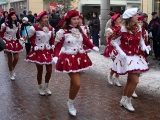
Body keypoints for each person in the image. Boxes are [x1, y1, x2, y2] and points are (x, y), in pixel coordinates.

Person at [52, 10, 99, 116]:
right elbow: (57, 46)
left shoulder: (80, 30)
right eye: (74, 19)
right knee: (77, 84)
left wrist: (93, 46)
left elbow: (86, 40)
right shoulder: (62, 32)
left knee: (73, 83)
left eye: (78, 19)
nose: (76, 21)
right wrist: (55, 56)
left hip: (80, 58)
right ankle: (70, 103)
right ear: (69, 20)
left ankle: (70, 100)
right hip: (68, 58)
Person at [111, 8, 150, 112]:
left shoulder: (139, 28)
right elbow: (113, 42)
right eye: (136, 15)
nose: (138, 17)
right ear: (130, 17)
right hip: (127, 57)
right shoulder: (122, 29)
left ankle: (123, 100)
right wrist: (121, 52)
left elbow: (141, 40)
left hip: (137, 56)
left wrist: (144, 46)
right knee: (135, 81)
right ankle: (128, 101)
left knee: (130, 80)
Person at [25, 11, 55, 96]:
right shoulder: (34, 28)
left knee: (49, 70)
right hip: (38, 50)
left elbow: (52, 39)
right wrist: (34, 45)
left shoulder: (50, 28)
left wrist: (52, 44)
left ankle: (46, 86)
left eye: (46, 17)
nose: (46, 19)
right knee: (40, 70)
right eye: (44, 18)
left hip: (47, 50)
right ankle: (40, 86)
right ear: (40, 19)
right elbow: (31, 39)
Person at [1, 11, 23, 80]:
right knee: (10, 59)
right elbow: (1, 34)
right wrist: (3, 40)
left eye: (15, 15)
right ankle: (11, 73)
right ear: (10, 17)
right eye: (13, 15)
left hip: (15, 41)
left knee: (16, 58)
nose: (14, 16)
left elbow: (18, 34)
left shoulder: (18, 24)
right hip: (7, 41)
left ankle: (12, 69)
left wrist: (21, 38)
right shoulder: (5, 24)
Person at [103, 13, 122, 87]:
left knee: (119, 63)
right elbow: (109, 41)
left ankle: (116, 78)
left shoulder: (122, 28)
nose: (120, 20)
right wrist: (112, 49)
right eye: (118, 19)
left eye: (120, 19)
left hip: (120, 48)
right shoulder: (110, 29)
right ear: (114, 21)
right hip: (112, 48)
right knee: (117, 63)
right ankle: (111, 75)